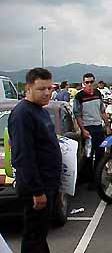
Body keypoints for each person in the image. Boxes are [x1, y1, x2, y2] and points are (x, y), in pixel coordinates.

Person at [8, 68, 62, 253]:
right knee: (33, 236)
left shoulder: (40, 110)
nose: (47, 92)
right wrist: (37, 192)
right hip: (37, 187)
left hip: (48, 183)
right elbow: (24, 156)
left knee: (39, 234)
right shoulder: (23, 114)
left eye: (50, 88)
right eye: (41, 89)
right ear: (28, 88)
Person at [73, 73, 111, 189]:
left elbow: (102, 111)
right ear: (83, 83)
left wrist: (108, 125)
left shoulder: (98, 94)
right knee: (88, 156)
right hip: (88, 129)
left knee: (100, 155)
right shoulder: (79, 97)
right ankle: (89, 181)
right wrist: (83, 130)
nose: (89, 84)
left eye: (91, 82)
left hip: (98, 127)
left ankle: (97, 180)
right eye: (87, 82)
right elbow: (77, 115)